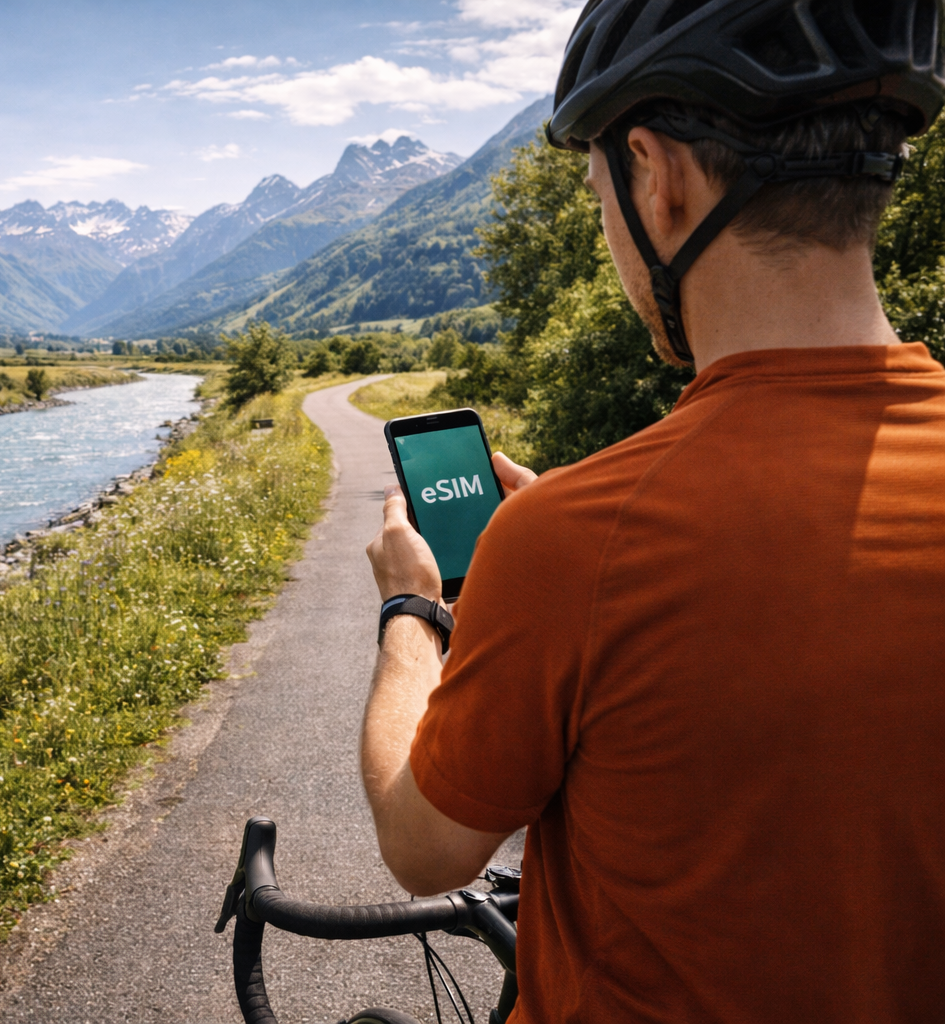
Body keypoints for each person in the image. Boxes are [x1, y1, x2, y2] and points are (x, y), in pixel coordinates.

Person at [360, 1, 945, 1021]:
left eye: (598, 194)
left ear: (656, 176)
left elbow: (422, 846)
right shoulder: (583, 541)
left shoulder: (572, 544)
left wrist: (410, 612)